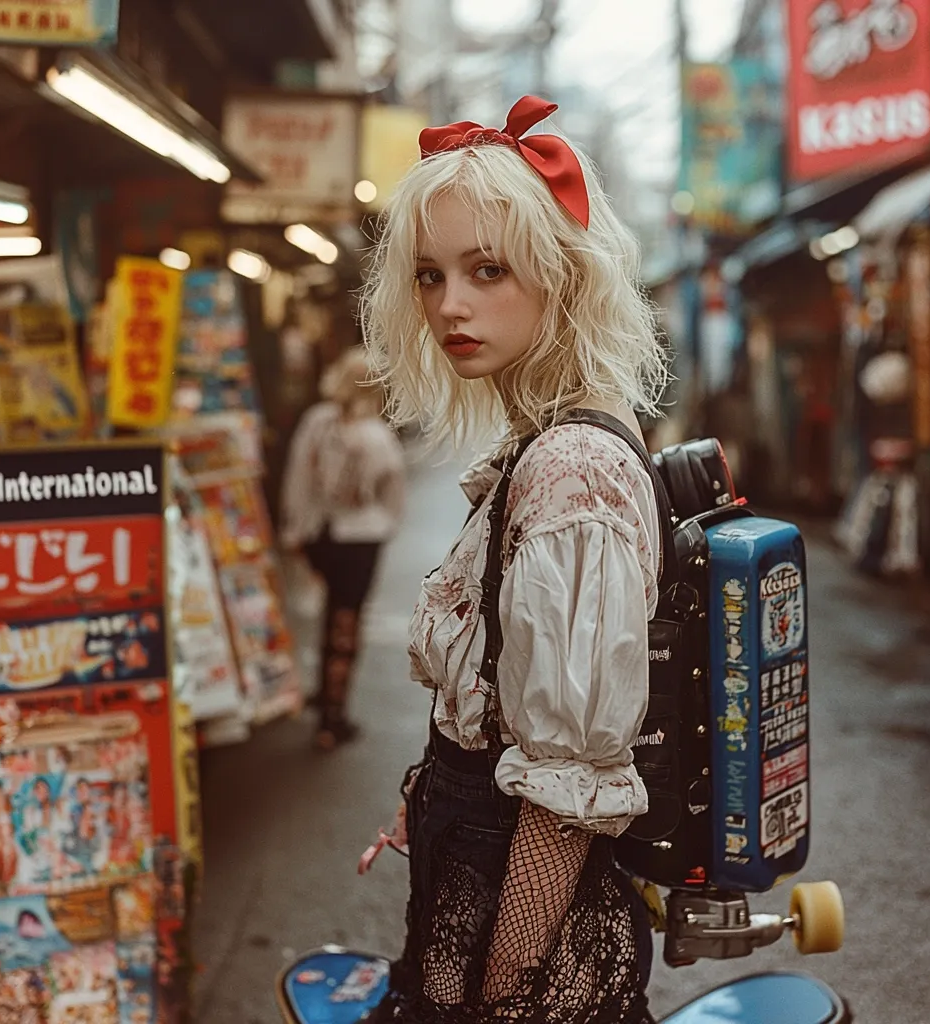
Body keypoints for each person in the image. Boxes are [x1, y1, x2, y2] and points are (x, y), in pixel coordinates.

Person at [359, 96, 668, 1022]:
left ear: (561, 278)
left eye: (486, 269)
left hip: (524, 951)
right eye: (429, 275)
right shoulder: (539, 444)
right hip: (481, 913)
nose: (449, 304)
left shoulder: (572, 467)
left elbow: (565, 786)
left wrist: (503, 994)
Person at [281, 347, 407, 749]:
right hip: (361, 539)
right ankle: (333, 717)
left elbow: (297, 480)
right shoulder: (379, 437)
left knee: (329, 610)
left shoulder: (316, 421)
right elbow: (393, 497)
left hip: (321, 534)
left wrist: (295, 530)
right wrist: (385, 525)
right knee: (347, 620)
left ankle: (323, 695)